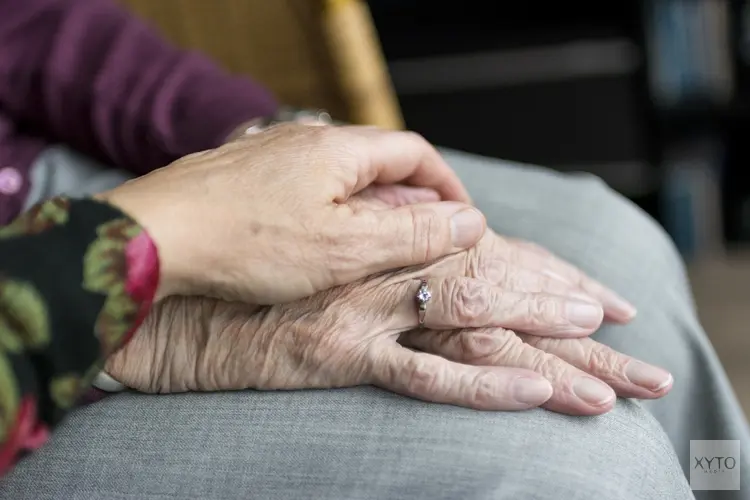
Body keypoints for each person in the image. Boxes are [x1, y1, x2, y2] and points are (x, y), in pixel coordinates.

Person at [0, 1, 747, 500]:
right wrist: (149, 310)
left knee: (610, 246)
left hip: (59, 173)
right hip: (30, 354)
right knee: (580, 462)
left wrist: (264, 148)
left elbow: (30, 25)